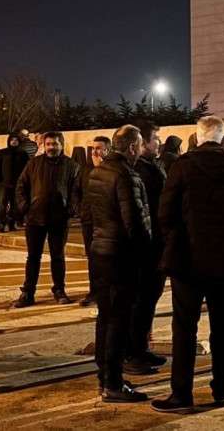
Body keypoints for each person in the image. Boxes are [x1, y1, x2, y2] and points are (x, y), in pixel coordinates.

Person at [152, 116, 224, 414]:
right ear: (223, 138)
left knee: (185, 328)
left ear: (198, 137)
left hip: (188, 261)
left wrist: (177, 239)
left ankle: (182, 393)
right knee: (222, 326)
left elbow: (165, 214)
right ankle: (220, 388)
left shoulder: (183, 166)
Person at [83, 125, 152, 402]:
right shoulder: (126, 175)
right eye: (140, 146)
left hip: (100, 251)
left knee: (105, 317)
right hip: (121, 257)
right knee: (118, 321)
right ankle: (113, 383)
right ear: (133, 147)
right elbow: (134, 222)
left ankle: (104, 377)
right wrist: (146, 253)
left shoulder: (98, 172)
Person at [12, 131, 82, 307]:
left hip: (59, 219)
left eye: (55, 144)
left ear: (61, 144)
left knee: (58, 256)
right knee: (33, 257)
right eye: (49, 144)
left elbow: (75, 190)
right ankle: (28, 292)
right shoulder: (33, 163)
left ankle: (59, 290)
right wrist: (25, 208)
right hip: (35, 218)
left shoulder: (71, 165)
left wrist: (70, 210)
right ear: (44, 145)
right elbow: (21, 186)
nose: (51, 147)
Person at [128, 121, 167, 371]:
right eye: (155, 139)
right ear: (141, 143)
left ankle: (141, 348)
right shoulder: (138, 171)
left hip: (156, 244)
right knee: (140, 301)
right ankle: (133, 353)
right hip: (145, 247)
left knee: (149, 300)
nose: (158, 143)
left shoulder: (152, 166)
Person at [79, 136, 111, 308]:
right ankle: (94, 292)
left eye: (99, 148)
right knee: (92, 258)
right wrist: (79, 209)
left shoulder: (113, 170)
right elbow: (77, 190)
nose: (95, 152)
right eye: (93, 148)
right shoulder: (85, 169)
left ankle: (107, 291)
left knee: (106, 258)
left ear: (108, 150)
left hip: (106, 221)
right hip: (89, 219)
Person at [0, 133, 29, 231]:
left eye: (16, 140)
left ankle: (12, 223)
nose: (14, 141)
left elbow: (26, 168)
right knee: (3, 204)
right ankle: (2, 223)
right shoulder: (3, 152)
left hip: (17, 183)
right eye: (12, 140)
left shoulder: (23, 154)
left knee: (15, 205)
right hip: (4, 183)